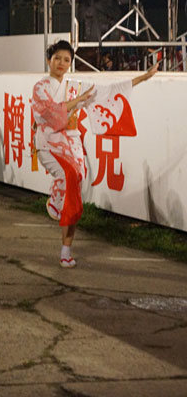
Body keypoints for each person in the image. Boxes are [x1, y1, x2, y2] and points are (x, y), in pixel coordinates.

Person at [31, 40, 157, 268]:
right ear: (49, 60)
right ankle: (55, 200)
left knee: (75, 188)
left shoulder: (75, 86)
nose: (61, 63)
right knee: (68, 177)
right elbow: (48, 113)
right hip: (49, 145)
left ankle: (66, 249)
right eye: (57, 58)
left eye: (66, 60)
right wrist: (75, 102)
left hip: (71, 144)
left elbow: (111, 92)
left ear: (71, 63)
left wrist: (143, 78)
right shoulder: (41, 87)